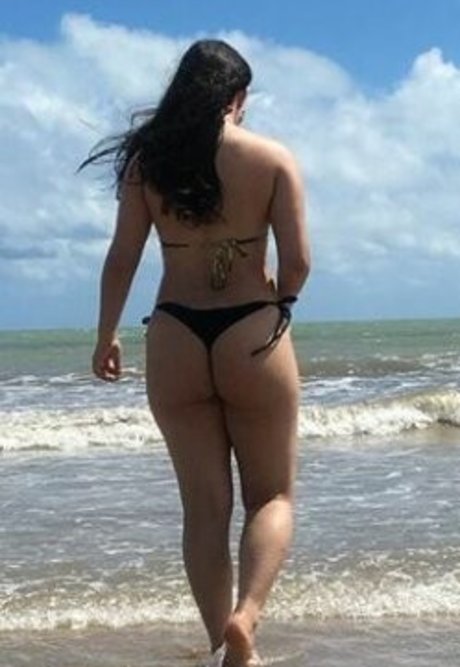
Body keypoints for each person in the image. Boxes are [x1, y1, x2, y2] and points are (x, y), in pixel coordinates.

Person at [82, 39, 310, 667]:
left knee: (204, 509)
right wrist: (277, 302)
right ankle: (246, 618)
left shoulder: (148, 164)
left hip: (176, 333)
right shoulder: (271, 158)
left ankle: (222, 646)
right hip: (251, 329)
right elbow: (298, 262)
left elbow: (122, 258)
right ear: (237, 97)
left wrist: (106, 335)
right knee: (272, 497)